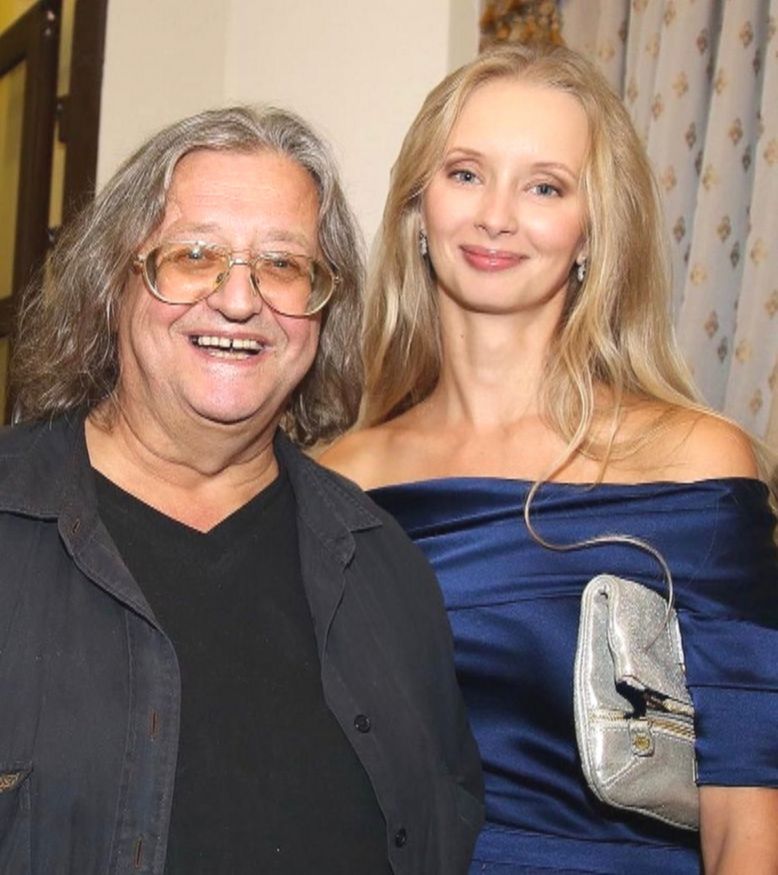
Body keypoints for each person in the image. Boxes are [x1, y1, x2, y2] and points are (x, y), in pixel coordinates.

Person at [320, 44, 778, 875]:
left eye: (544, 186)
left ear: (591, 232)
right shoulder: (338, 481)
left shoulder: (694, 468)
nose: (497, 216)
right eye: (466, 173)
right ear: (418, 208)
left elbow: (747, 821)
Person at [0, 105, 484, 875]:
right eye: (195, 253)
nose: (238, 299)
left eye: (283, 263)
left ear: (323, 309)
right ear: (113, 282)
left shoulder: (386, 568)